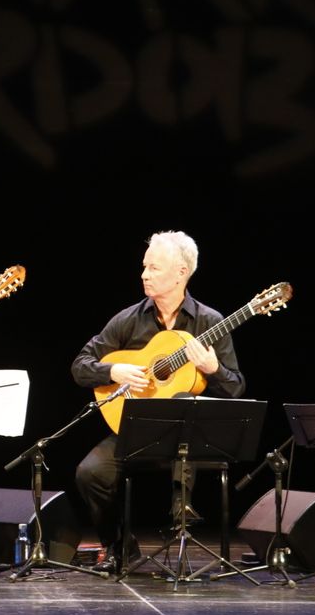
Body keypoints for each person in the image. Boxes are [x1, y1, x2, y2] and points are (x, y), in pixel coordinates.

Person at [71, 230, 246, 572]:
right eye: (144, 266)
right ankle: (120, 546)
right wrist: (115, 371)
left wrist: (213, 368)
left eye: (154, 268)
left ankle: (181, 516)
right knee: (89, 473)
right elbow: (80, 366)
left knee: (182, 400)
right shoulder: (128, 320)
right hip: (134, 430)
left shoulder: (210, 322)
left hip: (190, 436)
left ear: (182, 272)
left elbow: (236, 387)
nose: (144, 274)